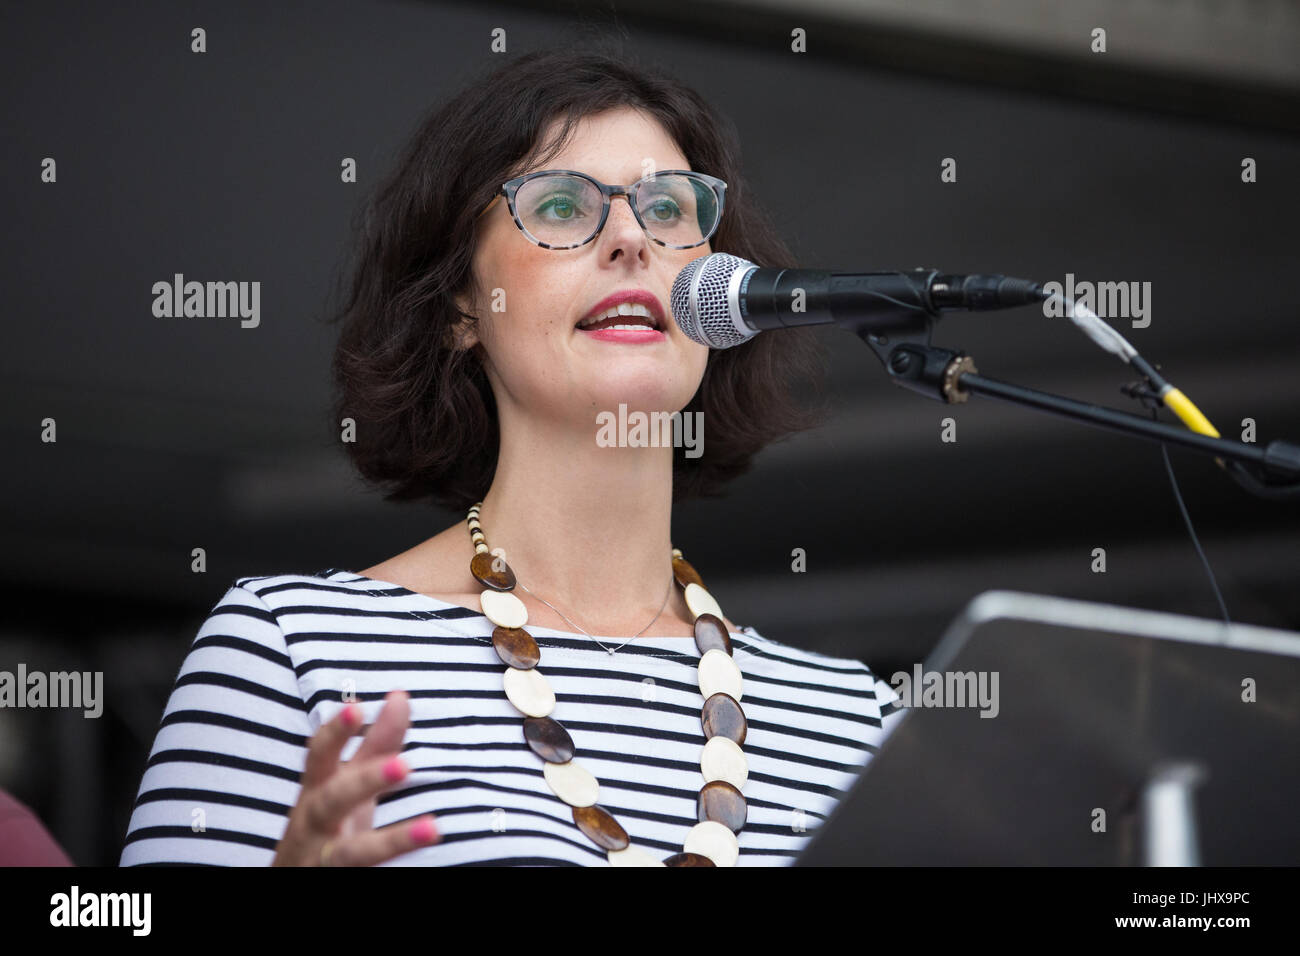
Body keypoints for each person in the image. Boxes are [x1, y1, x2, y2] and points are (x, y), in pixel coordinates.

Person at [120, 47, 903, 867]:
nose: (633, 238)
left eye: (669, 209)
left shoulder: (855, 719)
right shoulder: (293, 647)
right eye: (563, 206)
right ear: (462, 305)